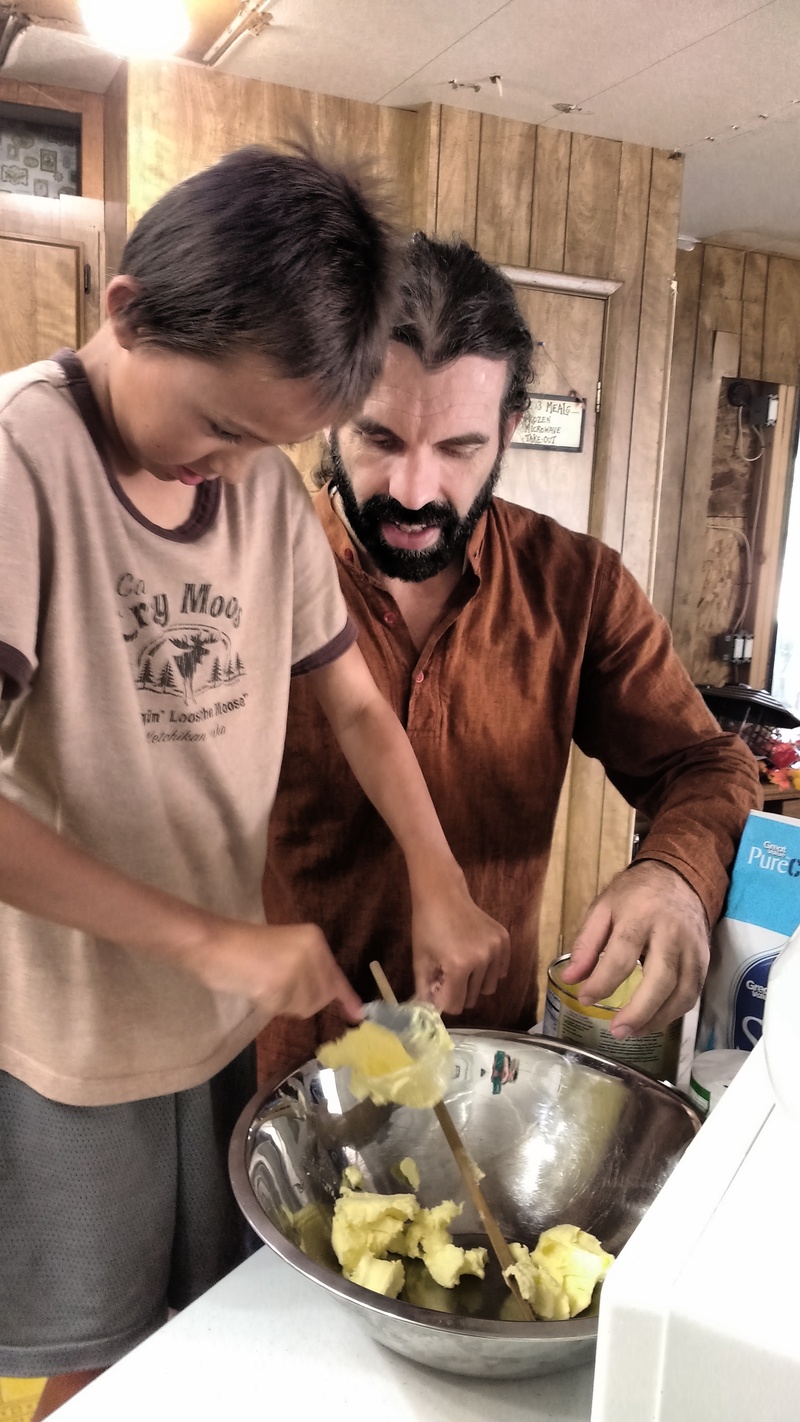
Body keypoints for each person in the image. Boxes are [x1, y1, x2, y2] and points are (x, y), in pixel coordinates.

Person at [0, 155, 509, 1416]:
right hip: (72, 1039)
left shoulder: (258, 489)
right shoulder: (21, 465)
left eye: (273, 444)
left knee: (215, 1334)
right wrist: (219, 944)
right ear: (126, 313)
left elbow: (352, 706)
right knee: (100, 1363)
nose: (231, 468)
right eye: (222, 426)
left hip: (209, 1032)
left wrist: (437, 880)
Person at [260, 230, 760, 1082]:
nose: (415, 493)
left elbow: (707, 766)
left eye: (458, 449)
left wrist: (675, 874)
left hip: (485, 1069)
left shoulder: (578, 588)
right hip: (276, 1065)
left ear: (509, 431)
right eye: (380, 438)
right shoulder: (249, 566)